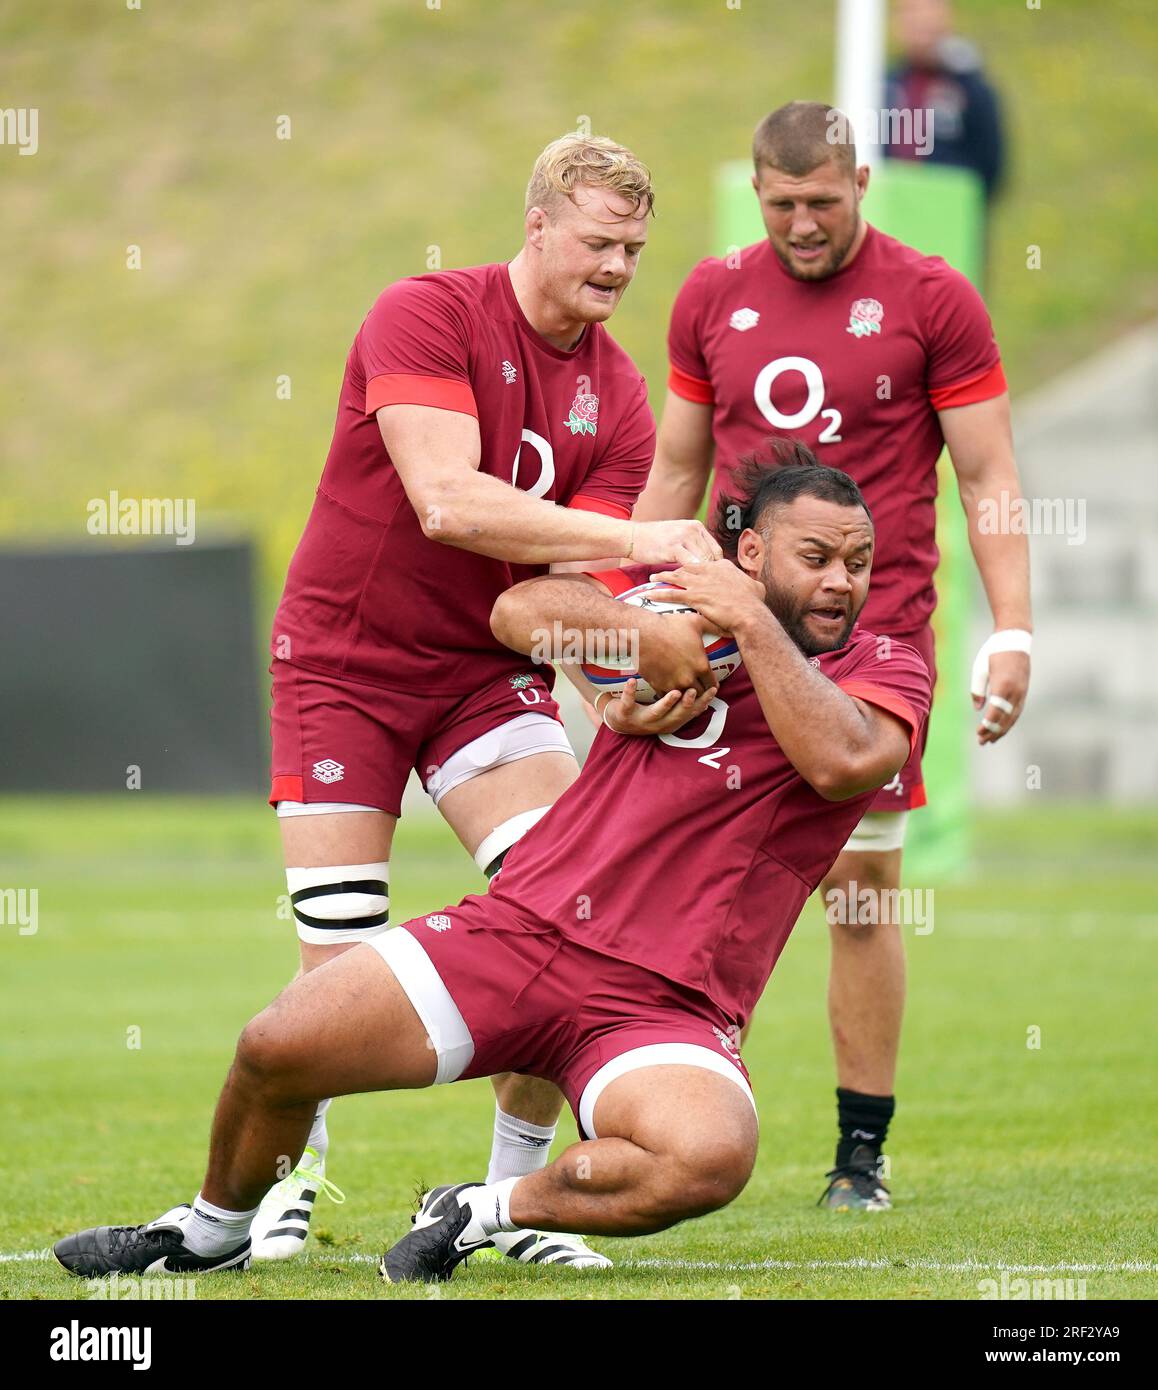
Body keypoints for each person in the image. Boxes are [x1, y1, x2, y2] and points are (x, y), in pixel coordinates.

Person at [53, 452, 932, 1285]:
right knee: (277, 1047)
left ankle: (488, 1210)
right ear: (749, 550)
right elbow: (519, 615)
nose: (840, 582)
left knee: (707, 1158)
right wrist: (635, 649)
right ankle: (211, 1235)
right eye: (815, 557)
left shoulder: (885, 667)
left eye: (857, 562)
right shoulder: (677, 613)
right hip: (521, 932)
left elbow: (842, 761)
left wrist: (743, 617)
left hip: (668, 1002)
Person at [255, 131, 719, 1268]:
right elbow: (448, 504)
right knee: (340, 952)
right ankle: (281, 1192)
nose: (618, 267)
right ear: (539, 226)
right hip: (344, 663)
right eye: (600, 242)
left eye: (635, 249)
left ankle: (504, 1199)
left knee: (570, 919)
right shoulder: (424, 312)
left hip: (481, 675)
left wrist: (617, 677)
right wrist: (644, 535)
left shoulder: (618, 396)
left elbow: (554, 599)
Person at [633, 101, 1031, 1209]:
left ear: (864, 180)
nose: (802, 224)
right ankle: (644, 1105)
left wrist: (1013, 628)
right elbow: (676, 468)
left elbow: (988, 475)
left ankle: (861, 1155)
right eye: (781, 204)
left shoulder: (932, 295)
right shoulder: (712, 292)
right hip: (718, 628)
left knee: (859, 891)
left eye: (822, 201)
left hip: (872, 644)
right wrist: (632, 608)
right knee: (660, 867)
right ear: (756, 192)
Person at [885, 0, 1007, 206]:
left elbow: (990, 162)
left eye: (930, 11)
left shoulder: (970, 88)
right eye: (912, 12)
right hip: (893, 210)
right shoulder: (885, 86)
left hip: (949, 213)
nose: (921, 21)